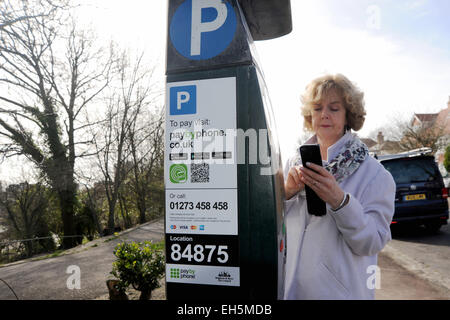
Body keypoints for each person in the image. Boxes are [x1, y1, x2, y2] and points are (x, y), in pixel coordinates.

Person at [283, 74, 396, 300]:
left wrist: (340, 202)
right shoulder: (293, 163)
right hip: (290, 291)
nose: (324, 114)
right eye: (317, 108)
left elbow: (373, 242)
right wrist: (285, 195)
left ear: (348, 116)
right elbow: (274, 229)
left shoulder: (374, 174)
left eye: (334, 108)